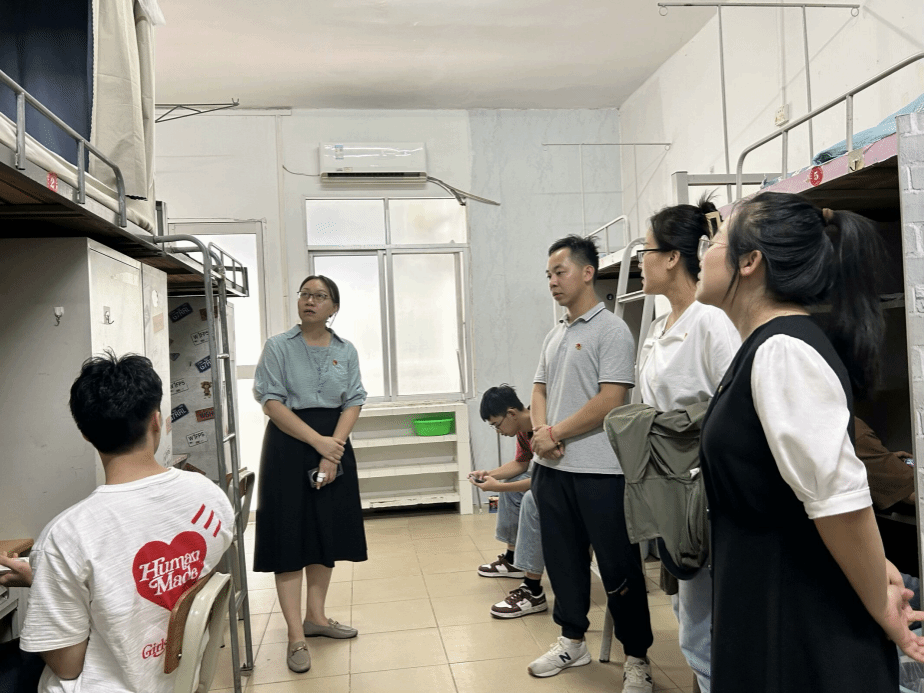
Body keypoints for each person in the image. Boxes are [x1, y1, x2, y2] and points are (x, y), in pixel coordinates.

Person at [696, 191, 924, 693]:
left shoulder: (783, 351)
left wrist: (880, 603)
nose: (703, 253)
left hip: (800, 623)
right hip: (773, 602)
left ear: (750, 262)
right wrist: (878, 568)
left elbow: (841, 503)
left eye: (714, 242)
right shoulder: (766, 346)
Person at [10, 352, 233, 693]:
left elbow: (68, 668)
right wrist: (46, 579)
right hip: (177, 679)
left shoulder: (67, 536)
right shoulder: (208, 496)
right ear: (156, 421)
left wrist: (47, 583)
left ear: (86, 434)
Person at [527, 235, 654, 693]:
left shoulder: (612, 330)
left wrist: (556, 433)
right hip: (552, 471)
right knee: (563, 564)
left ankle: (636, 656)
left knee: (619, 569)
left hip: (601, 472)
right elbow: (538, 389)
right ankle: (572, 641)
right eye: (548, 275)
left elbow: (611, 399)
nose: (552, 282)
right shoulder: (555, 334)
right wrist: (540, 434)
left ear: (586, 273)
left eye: (559, 272)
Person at [636, 197, 741, 693]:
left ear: (673, 257)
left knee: (700, 628)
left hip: (705, 487)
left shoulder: (710, 321)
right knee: (685, 608)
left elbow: (736, 406)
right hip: (669, 487)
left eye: (647, 251)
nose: (641, 261)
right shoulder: (661, 326)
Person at [252, 275, 367, 674]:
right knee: (289, 536)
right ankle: (295, 634)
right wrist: (319, 443)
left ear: (334, 307)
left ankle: (316, 618)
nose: (310, 301)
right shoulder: (278, 347)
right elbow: (271, 401)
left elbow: (354, 399)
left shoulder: (345, 350)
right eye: (305, 294)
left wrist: (333, 451)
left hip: (334, 444)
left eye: (320, 296)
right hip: (289, 445)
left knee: (324, 532)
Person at [469, 384, 550, 618]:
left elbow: (541, 480)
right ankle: (513, 560)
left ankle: (532, 588)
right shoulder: (524, 431)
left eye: (497, 424)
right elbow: (521, 464)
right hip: (545, 477)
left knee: (527, 498)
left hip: (557, 482)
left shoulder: (543, 426)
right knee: (512, 484)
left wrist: (499, 487)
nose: (498, 431)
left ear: (512, 413)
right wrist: (489, 474)